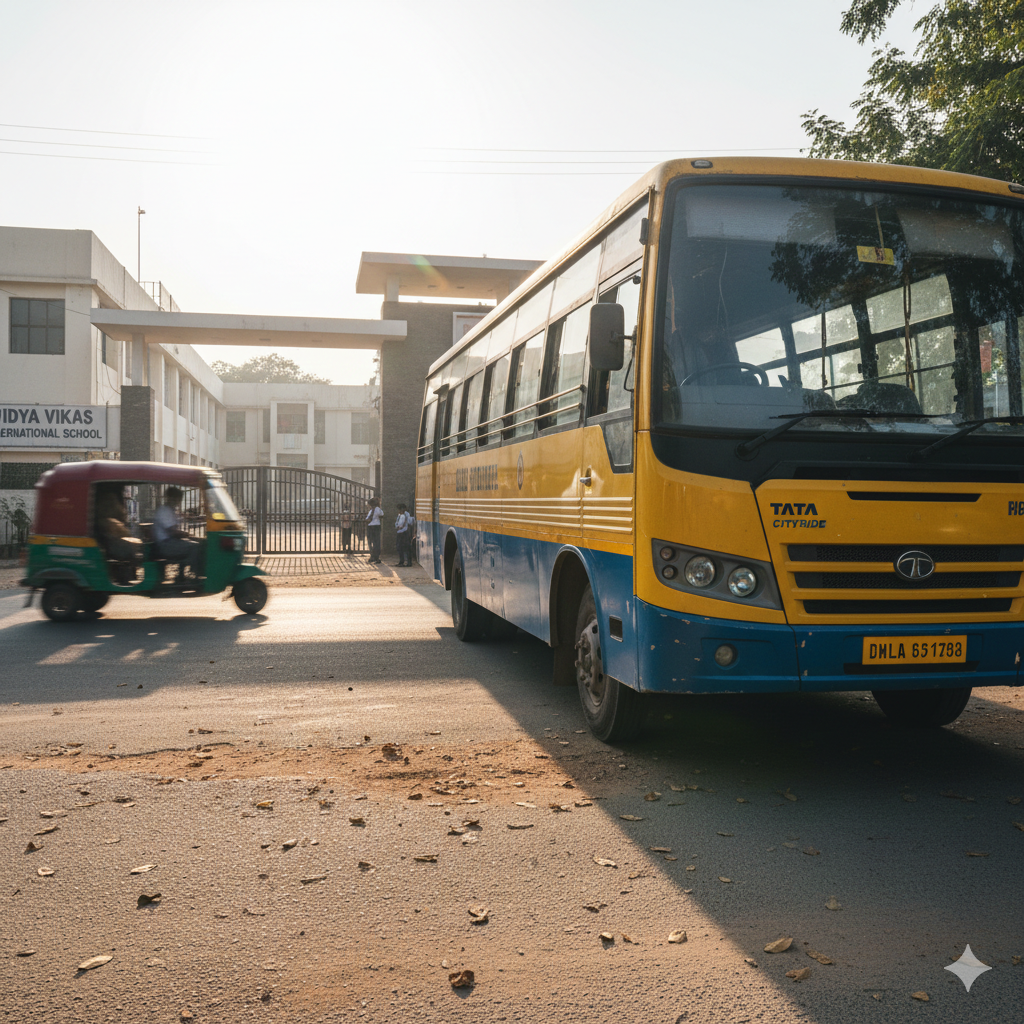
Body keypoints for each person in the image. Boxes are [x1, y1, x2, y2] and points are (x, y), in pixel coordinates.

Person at [153, 485, 202, 579]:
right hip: (165, 545)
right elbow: (172, 532)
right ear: (170, 498)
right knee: (195, 547)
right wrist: (188, 535)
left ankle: (182, 575)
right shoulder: (164, 511)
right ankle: (192, 574)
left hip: (170, 542)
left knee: (194, 544)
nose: (178, 502)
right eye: (177, 499)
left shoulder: (171, 510)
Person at [95, 488, 143, 583]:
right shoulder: (110, 520)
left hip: (111, 541)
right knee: (132, 549)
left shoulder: (106, 517)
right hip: (111, 543)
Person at [365, 498, 383, 564]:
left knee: (371, 542)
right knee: (376, 542)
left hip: (371, 527)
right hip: (377, 526)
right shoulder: (378, 510)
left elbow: (368, 519)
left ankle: (373, 556)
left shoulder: (372, 510)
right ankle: (376, 557)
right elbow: (382, 515)